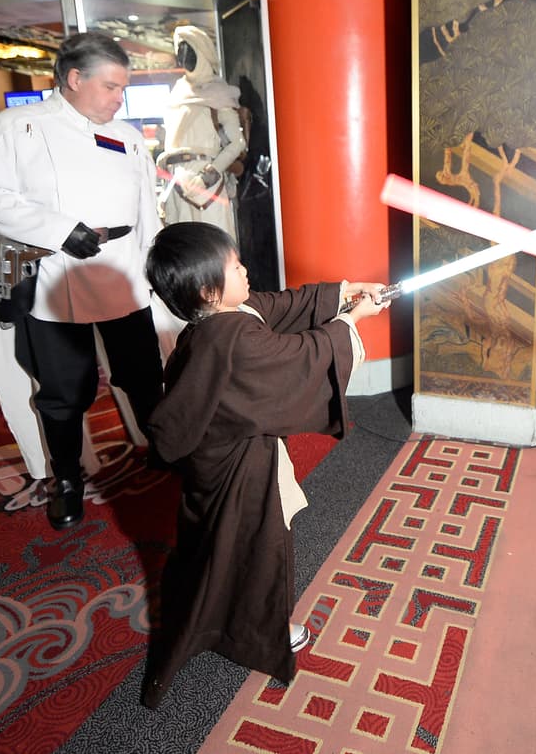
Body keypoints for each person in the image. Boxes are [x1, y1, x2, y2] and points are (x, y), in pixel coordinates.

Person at [138, 221, 389, 709]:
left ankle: (219, 619)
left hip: (217, 468)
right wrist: (352, 322)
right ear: (209, 288)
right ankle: (260, 632)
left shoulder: (216, 321)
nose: (246, 269)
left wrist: (344, 294)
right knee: (260, 548)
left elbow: (280, 306)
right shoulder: (233, 340)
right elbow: (300, 359)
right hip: (241, 476)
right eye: (235, 266)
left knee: (216, 553)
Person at [0, 31, 164, 530]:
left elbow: (146, 210)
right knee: (63, 392)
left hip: (124, 277)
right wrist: (60, 231)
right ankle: (68, 480)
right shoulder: (19, 125)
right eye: (112, 87)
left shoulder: (128, 136)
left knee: (143, 376)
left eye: (123, 89)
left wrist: (157, 263)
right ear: (74, 79)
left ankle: (165, 448)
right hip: (54, 280)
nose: (120, 99)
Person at [158, 25, 247, 243]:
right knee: (182, 250)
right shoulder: (177, 92)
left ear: (202, 51)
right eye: (179, 49)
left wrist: (209, 174)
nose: (182, 56)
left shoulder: (217, 90)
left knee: (214, 247)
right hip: (176, 180)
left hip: (205, 181)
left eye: (188, 49)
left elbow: (237, 143)